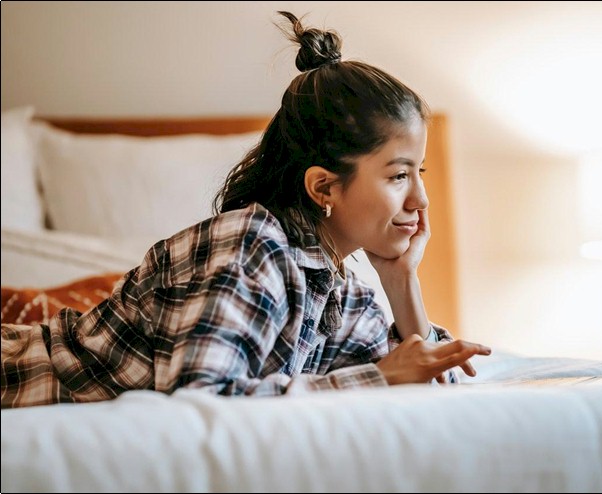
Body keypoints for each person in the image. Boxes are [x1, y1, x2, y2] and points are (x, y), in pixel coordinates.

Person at [0, 11, 491, 409]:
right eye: (398, 175)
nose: (420, 201)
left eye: (419, 173)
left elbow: (431, 379)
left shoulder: (331, 286)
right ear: (324, 186)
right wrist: (378, 378)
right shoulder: (250, 247)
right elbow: (202, 400)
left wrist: (401, 281)